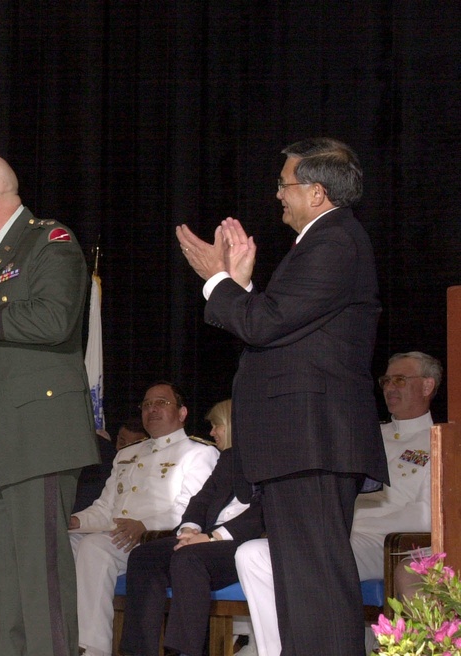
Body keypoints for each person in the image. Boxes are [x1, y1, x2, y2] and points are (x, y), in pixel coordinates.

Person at [177, 137, 388, 654]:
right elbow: (284, 327)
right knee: (301, 592)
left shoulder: (334, 241)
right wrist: (242, 289)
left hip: (313, 443)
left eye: (284, 184)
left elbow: (267, 326)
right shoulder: (324, 241)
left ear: (316, 192)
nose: (278, 195)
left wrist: (217, 280)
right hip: (300, 445)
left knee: (317, 591)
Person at [0, 153, 98, 656]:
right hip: (3, 435)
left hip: (41, 431)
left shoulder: (49, 241)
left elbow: (54, 319)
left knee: (40, 575)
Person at [235, 351, 442, 656]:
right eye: (385, 381)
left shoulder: (441, 440)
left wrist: (346, 524)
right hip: (335, 531)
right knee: (252, 554)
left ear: (427, 386)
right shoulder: (367, 434)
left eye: (400, 380)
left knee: (310, 552)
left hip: (383, 544)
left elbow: (427, 517)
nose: (389, 388)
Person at [68, 382, 219, 656]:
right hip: (118, 537)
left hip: (158, 542)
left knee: (94, 548)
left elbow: (193, 508)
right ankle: (54, 637)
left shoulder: (199, 452)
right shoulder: (127, 454)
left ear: (182, 412)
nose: (152, 409)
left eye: (162, 403)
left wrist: (146, 526)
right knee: (58, 543)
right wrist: (74, 522)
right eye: (147, 404)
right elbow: (105, 509)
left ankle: (93, 648)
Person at [119, 399, 264, 656]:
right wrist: (189, 528)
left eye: (216, 425)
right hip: (204, 538)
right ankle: (138, 651)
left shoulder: (272, 459)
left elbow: (263, 514)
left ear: (234, 426)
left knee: (188, 559)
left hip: (244, 542)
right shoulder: (229, 459)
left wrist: (210, 538)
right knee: (144, 556)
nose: (211, 432)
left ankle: (183, 652)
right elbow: (202, 499)